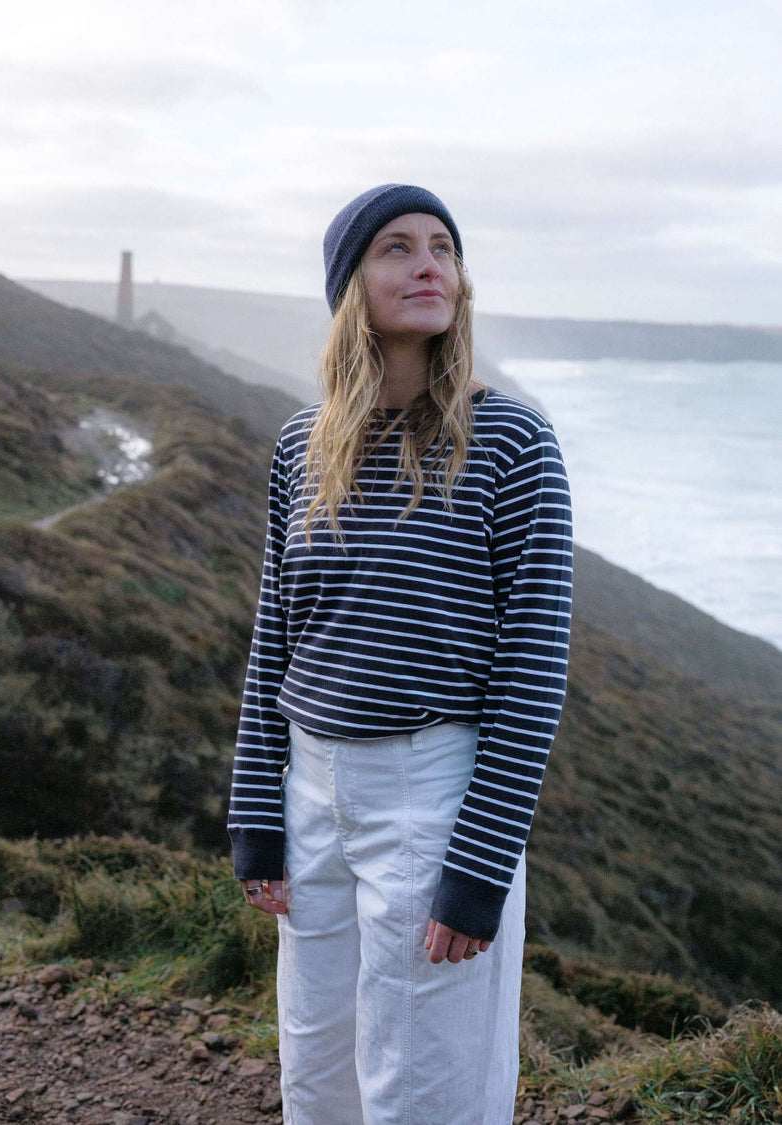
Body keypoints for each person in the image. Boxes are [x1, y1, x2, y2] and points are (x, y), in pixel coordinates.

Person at [227, 184, 573, 1124]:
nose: (428, 265)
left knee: (428, 1094)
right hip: (311, 790)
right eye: (396, 247)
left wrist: (481, 863)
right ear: (351, 285)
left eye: (443, 249)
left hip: (433, 794)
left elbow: (534, 668)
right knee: (319, 1080)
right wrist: (257, 811)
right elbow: (277, 639)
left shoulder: (512, 439)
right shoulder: (302, 444)